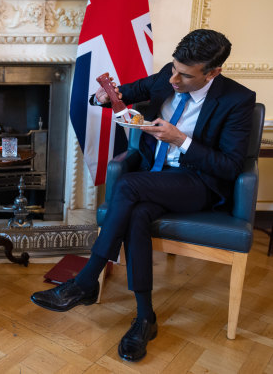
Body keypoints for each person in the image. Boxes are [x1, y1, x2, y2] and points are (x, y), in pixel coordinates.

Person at [30, 29, 256, 362]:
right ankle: (144, 317)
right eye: (174, 68)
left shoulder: (237, 100)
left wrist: (180, 140)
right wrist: (103, 98)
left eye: (186, 74)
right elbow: (126, 92)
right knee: (137, 213)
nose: (174, 78)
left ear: (212, 73)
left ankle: (86, 279)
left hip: (200, 184)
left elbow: (230, 166)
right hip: (158, 179)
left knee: (129, 185)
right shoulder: (169, 74)